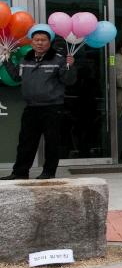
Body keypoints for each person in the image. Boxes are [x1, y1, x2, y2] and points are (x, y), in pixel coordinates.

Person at [2, 24, 75, 180]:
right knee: (25, 142)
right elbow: (16, 77)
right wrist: (6, 60)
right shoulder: (25, 59)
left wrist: (70, 66)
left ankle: (48, 172)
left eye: (43, 40)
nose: (40, 43)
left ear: (49, 42)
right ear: (31, 42)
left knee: (52, 142)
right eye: (36, 40)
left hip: (52, 108)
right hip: (31, 108)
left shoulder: (58, 60)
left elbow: (69, 81)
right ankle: (20, 173)